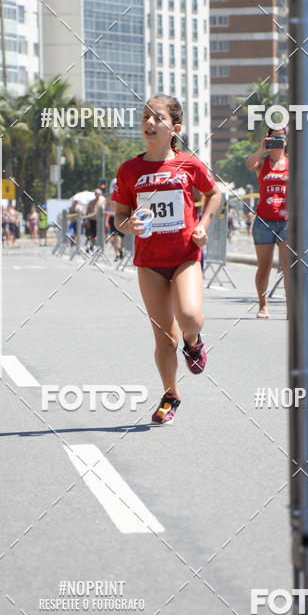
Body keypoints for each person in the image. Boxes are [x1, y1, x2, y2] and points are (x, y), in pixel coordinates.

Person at [113, 94, 221, 425]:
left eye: (157, 118)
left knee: (190, 317)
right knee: (163, 337)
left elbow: (214, 193)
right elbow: (118, 216)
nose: (148, 122)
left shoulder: (188, 164)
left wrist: (203, 226)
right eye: (145, 116)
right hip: (150, 264)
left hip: (186, 256)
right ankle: (170, 395)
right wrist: (127, 225)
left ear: (174, 128)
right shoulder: (129, 169)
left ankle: (194, 341)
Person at [245, 126, 289, 319]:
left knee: (289, 267)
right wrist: (262, 149)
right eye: (274, 139)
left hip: (287, 221)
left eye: (281, 139)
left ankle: (291, 308)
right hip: (264, 221)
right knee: (264, 266)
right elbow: (249, 165)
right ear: (268, 140)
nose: (277, 143)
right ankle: (263, 305)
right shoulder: (262, 163)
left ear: (286, 141)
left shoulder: (291, 163)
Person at [106, 179, 125, 261]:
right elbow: (106, 208)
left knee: (123, 238)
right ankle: (116, 253)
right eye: (114, 185)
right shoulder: (109, 197)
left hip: (121, 217)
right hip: (113, 218)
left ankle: (120, 249)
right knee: (114, 237)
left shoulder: (123, 194)